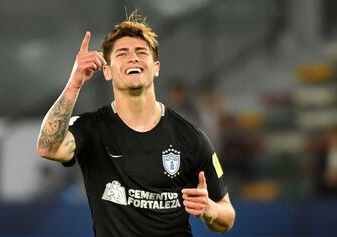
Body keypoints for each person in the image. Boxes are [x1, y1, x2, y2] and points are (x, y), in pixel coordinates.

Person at [36, 11, 235, 237]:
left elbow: (227, 216)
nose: (133, 58)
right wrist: (74, 83)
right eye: (122, 53)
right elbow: (47, 147)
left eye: (141, 52)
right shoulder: (91, 128)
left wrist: (210, 210)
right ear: (107, 71)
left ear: (156, 67)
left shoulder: (191, 138)